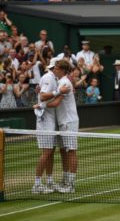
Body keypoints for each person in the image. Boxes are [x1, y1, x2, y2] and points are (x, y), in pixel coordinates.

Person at [36, 60, 79, 193]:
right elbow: (47, 95)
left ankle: (70, 185)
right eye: (54, 68)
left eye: (57, 68)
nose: (54, 70)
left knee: (71, 151)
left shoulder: (64, 82)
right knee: (64, 151)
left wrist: (40, 105)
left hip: (69, 121)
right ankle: (65, 181)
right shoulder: (60, 82)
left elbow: (55, 103)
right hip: (62, 122)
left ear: (63, 70)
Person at [32, 57, 68, 194]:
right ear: (55, 68)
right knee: (47, 152)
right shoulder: (48, 78)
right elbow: (42, 96)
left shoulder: (54, 79)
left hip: (51, 120)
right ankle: (36, 184)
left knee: (50, 151)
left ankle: (49, 181)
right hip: (45, 120)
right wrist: (58, 92)